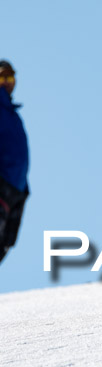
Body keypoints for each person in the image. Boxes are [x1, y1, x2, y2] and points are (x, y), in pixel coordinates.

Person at [0, 60, 29, 265]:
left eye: (11, 77)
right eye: (2, 77)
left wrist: (24, 189)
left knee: (5, 243)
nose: (7, 82)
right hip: (2, 184)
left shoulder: (13, 113)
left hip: (16, 189)